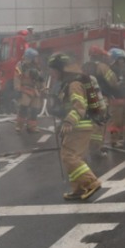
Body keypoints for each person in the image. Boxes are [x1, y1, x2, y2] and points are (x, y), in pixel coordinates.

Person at [47, 52, 102, 201]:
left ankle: (91, 183)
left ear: (61, 69)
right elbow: (67, 105)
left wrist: (68, 121)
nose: (51, 73)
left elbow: (79, 106)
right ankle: (78, 188)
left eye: (53, 69)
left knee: (69, 156)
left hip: (79, 125)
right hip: (80, 124)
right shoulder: (70, 82)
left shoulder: (74, 83)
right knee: (72, 156)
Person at [13, 48, 44, 133]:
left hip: (35, 91)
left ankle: (32, 127)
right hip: (25, 89)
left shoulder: (37, 67)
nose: (37, 59)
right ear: (30, 57)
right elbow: (17, 77)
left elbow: (40, 79)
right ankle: (19, 125)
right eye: (35, 57)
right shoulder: (21, 65)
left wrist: (43, 88)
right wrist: (17, 89)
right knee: (23, 108)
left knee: (35, 110)